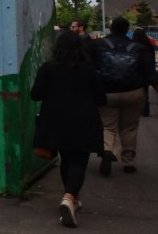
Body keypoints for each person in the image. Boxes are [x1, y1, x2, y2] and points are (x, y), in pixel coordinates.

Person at [32, 30, 106, 228]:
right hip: (83, 120)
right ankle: (70, 196)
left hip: (55, 121)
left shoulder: (47, 68)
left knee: (66, 158)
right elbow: (101, 98)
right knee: (79, 160)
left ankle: (71, 196)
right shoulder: (89, 70)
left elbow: (35, 94)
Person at [93, 17, 158, 176]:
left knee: (108, 126)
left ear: (110, 28)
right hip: (134, 93)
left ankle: (108, 150)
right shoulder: (139, 48)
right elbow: (151, 74)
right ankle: (128, 161)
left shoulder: (98, 45)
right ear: (127, 29)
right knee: (129, 127)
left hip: (106, 92)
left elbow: (89, 67)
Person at [131, 28, 157, 117]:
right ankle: (146, 111)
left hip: (136, 73)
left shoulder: (133, 46)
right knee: (145, 93)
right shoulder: (149, 46)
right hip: (147, 72)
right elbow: (152, 60)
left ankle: (136, 111)